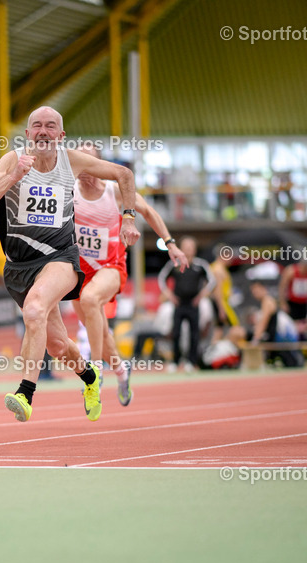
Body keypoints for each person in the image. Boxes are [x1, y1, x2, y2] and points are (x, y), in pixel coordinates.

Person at [0, 106, 138, 422]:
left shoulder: (70, 160)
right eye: (37, 126)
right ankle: (89, 378)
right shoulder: (11, 160)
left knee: (34, 309)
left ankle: (25, 393)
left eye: (51, 126)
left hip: (60, 258)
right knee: (59, 346)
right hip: (19, 266)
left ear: (61, 136)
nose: (44, 131)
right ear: (28, 134)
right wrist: (13, 176)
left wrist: (128, 218)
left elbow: (124, 174)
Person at [72, 143, 186, 405]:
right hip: (79, 271)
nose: (85, 168)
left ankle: (95, 373)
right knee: (100, 333)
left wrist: (171, 244)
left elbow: (149, 212)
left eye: (91, 161)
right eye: (80, 160)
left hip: (110, 267)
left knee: (91, 300)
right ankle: (122, 373)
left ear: (102, 165)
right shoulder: (68, 191)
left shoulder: (115, 192)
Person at [158, 236, 215, 372]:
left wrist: (201, 295)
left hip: (193, 304)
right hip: (178, 303)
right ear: (181, 248)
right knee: (176, 332)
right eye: (186, 246)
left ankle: (191, 361)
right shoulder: (174, 264)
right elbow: (162, 279)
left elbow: (212, 281)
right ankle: (176, 361)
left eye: (191, 247)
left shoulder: (200, 265)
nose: (188, 249)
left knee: (194, 333)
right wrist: (170, 295)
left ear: (195, 249)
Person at [278, 260, 307, 325]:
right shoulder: (291, 271)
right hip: (292, 303)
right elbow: (282, 287)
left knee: (303, 324)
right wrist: (283, 302)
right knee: (291, 323)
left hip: (305, 304)